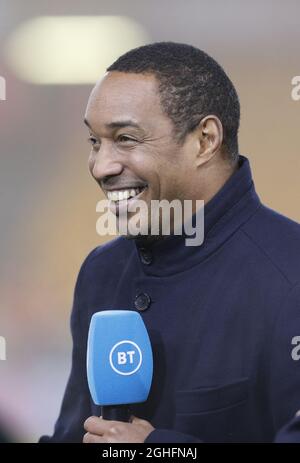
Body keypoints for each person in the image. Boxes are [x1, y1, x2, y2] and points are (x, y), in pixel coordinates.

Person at [40, 42, 300, 443]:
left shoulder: (290, 274)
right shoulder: (101, 272)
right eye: (94, 141)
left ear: (204, 140)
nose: (101, 166)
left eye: (125, 139)